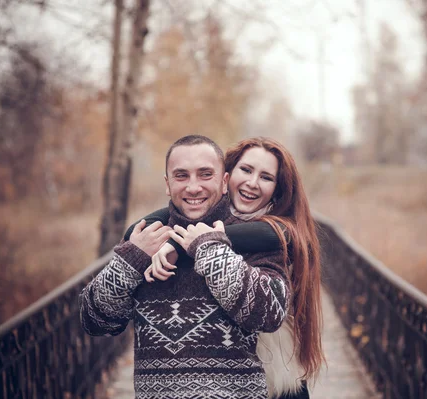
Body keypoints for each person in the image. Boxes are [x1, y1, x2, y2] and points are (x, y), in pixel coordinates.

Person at [79, 135, 291, 399]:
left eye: (205, 174)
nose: (193, 187)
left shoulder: (256, 239)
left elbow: (269, 314)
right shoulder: (145, 240)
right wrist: (131, 259)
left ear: (224, 182)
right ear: (167, 185)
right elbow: (95, 320)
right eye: (181, 176)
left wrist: (207, 248)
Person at [145, 137, 324, 398]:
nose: (252, 183)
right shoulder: (206, 213)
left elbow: (254, 235)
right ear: (226, 177)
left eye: (266, 177)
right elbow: (141, 226)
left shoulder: (280, 230)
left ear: (277, 189)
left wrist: (184, 244)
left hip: (279, 379)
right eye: (247, 170)